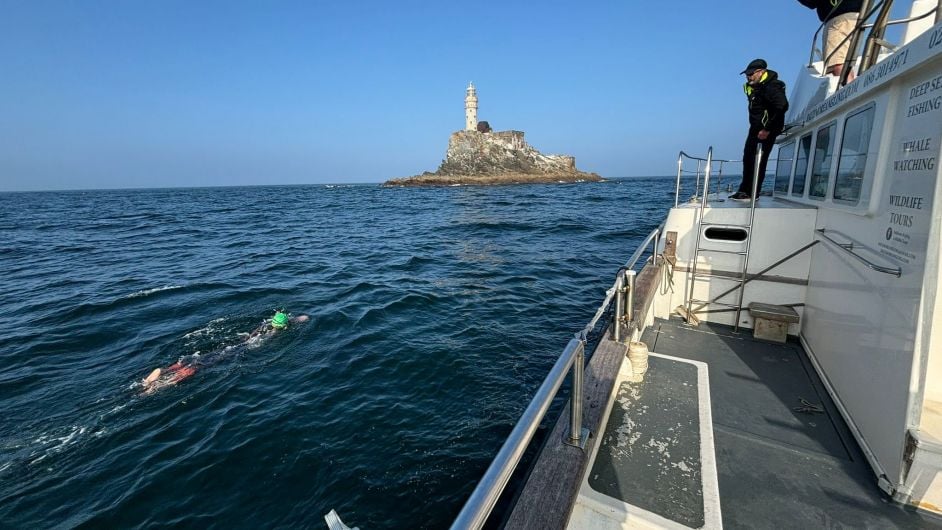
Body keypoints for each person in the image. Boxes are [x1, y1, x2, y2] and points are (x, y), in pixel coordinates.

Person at [141, 310, 309, 394]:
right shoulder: (274, 333)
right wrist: (292, 321)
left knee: (201, 357)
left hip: (236, 343)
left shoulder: (265, 325)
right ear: (284, 325)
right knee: (200, 366)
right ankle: (165, 383)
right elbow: (303, 318)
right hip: (240, 349)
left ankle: (167, 369)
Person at [729, 59, 789, 202]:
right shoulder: (756, 87)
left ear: (761, 72)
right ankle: (744, 190)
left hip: (765, 130)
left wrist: (767, 129)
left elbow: (782, 106)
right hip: (755, 129)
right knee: (748, 158)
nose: (748, 76)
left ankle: (752, 192)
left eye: (751, 74)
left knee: (758, 160)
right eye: (747, 74)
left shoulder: (772, 86)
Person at [797, 0, 862, 82]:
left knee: (837, 64)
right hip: (857, 16)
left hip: (838, 21)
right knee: (845, 63)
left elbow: (811, 2)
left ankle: (849, 91)